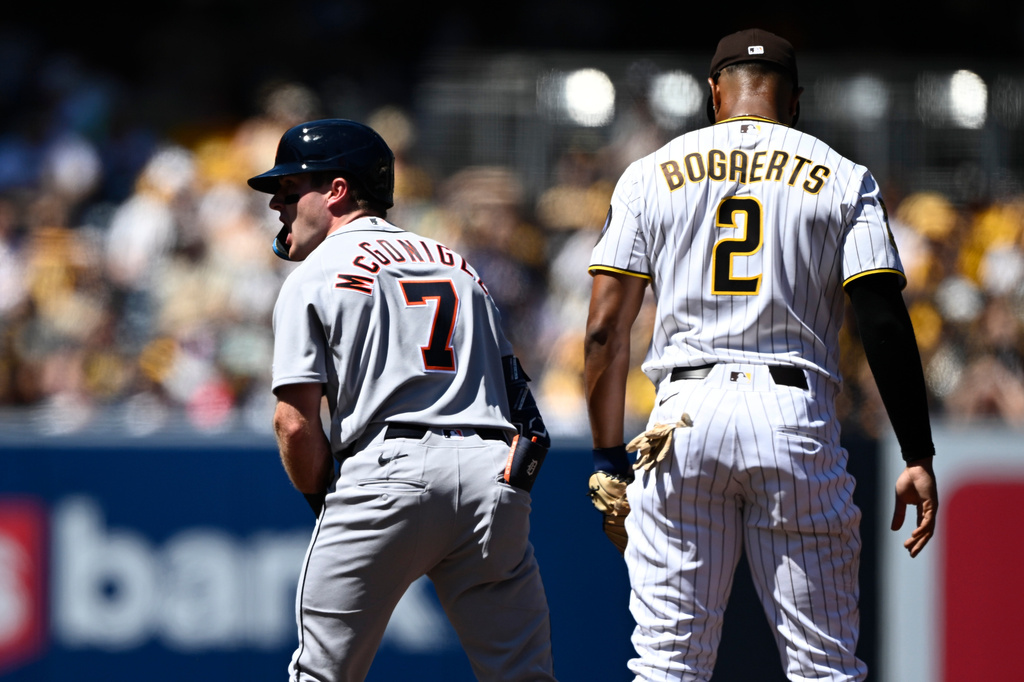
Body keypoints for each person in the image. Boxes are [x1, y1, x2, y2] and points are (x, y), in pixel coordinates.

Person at [583, 29, 938, 681]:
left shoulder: (649, 174)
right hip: (791, 410)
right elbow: (882, 318)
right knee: (823, 667)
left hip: (680, 417)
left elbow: (606, 328)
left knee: (667, 664)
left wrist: (608, 456)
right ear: (795, 100)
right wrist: (917, 450)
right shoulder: (841, 176)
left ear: (713, 92)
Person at [248, 118, 555, 682]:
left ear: (337, 190)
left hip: (387, 470)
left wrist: (327, 503)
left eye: (290, 191)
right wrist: (517, 479)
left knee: (321, 675)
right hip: (492, 477)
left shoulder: (316, 273)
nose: (278, 207)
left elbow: (294, 424)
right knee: (523, 677)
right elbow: (524, 410)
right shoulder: (460, 266)